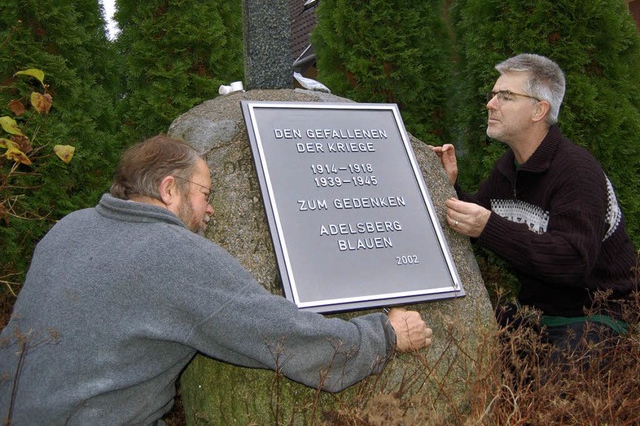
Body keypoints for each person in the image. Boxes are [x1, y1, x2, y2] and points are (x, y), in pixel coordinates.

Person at [0, 135, 432, 426]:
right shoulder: (175, 255)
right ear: (170, 190)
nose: (210, 211)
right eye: (205, 194)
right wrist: (385, 334)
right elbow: (284, 336)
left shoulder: (68, 228)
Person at [432, 53, 637, 364]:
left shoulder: (576, 172)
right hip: (537, 314)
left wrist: (488, 226)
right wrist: (451, 186)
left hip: (601, 316)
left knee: (559, 380)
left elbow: (572, 261)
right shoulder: (508, 169)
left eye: (506, 96)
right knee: (462, 347)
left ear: (539, 110)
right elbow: (478, 222)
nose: (491, 104)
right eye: (493, 95)